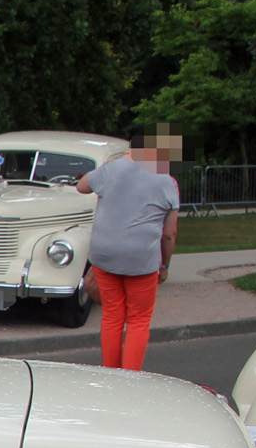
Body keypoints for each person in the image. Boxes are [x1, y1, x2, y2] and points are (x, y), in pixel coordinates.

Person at [78, 130, 182, 371]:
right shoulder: (167, 182)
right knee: (138, 320)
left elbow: (81, 187)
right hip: (141, 259)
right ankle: (131, 378)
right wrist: (164, 267)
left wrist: (112, 164)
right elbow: (169, 234)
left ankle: (111, 373)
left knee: (112, 316)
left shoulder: (111, 169)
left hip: (105, 255)